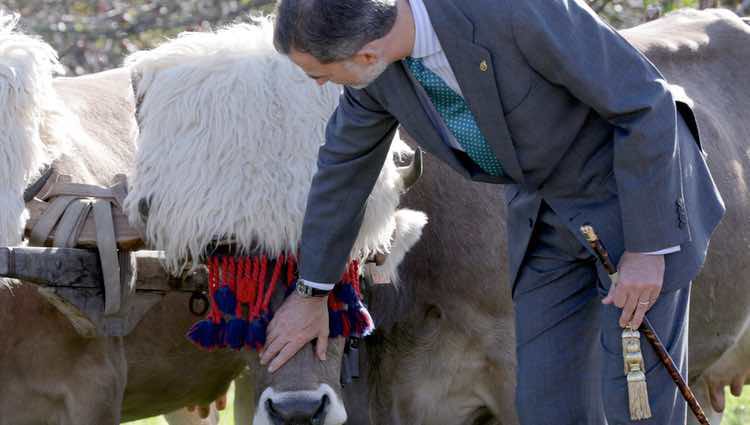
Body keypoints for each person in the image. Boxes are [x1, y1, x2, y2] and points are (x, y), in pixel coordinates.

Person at [260, 0, 725, 423]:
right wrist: (311, 291)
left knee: (637, 403)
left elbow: (647, 102)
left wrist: (648, 249)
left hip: (633, 200)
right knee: (545, 405)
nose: (319, 85)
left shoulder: (514, 9)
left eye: (318, 73)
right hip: (541, 216)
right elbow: (341, 173)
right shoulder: (375, 77)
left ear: (364, 53)